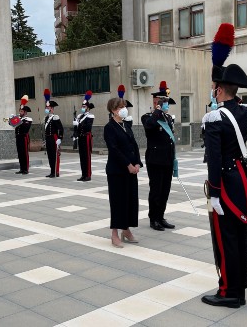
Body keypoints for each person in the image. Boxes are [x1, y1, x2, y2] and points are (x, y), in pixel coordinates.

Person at [202, 23, 247, 309]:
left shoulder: (215, 119)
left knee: (225, 238)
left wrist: (213, 194)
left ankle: (228, 292)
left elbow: (214, 159)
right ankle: (240, 287)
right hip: (241, 179)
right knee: (239, 234)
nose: (212, 92)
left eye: (213, 88)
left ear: (219, 89)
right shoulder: (245, 112)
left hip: (224, 183)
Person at [103, 97, 142, 248]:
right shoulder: (109, 127)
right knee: (118, 202)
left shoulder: (126, 125)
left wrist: (137, 162)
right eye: (120, 107)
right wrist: (127, 164)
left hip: (131, 170)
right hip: (117, 171)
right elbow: (114, 149)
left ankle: (126, 230)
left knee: (130, 200)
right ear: (113, 110)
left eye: (124, 106)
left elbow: (134, 144)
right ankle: (114, 234)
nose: (124, 109)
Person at [141, 81, 177, 231]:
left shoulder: (168, 118)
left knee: (165, 190)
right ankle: (153, 218)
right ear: (156, 102)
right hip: (155, 160)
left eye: (167, 102)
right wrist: (157, 110)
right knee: (156, 190)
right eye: (163, 102)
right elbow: (149, 126)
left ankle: (161, 217)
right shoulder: (148, 117)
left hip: (167, 159)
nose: (166, 105)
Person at [74, 91, 94, 181]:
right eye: (82, 106)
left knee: (87, 156)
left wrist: (78, 123)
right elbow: (77, 129)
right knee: (82, 156)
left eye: (84, 107)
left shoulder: (90, 116)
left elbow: (88, 127)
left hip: (86, 137)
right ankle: (83, 174)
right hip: (81, 137)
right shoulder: (80, 116)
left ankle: (88, 175)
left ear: (88, 108)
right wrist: (75, 130)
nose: (83, 108)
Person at [43, 89, 63, 178]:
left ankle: (55, 172)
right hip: (48, 138)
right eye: (46, 108)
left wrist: (59, 138)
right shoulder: (46, 118)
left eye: (48, 108)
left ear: (52, 109)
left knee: (54, 155)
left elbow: (61, 128)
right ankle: (51, 171)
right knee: (50, 155)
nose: (47, 109)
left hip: (54, 138)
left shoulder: (55, 117)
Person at [10, 95, 33, 175]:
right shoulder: (19, 118)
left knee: (24, 153)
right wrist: (11, 119)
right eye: (20, 111)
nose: (20, 113)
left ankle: (26, 169)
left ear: (25, 112)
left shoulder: (28, 119)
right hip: (18, 137)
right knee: (19, 153)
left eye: (21, 111)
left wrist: (18, 120)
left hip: (24, 137)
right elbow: (12, 124)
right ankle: (21, 168)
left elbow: (25, 127)